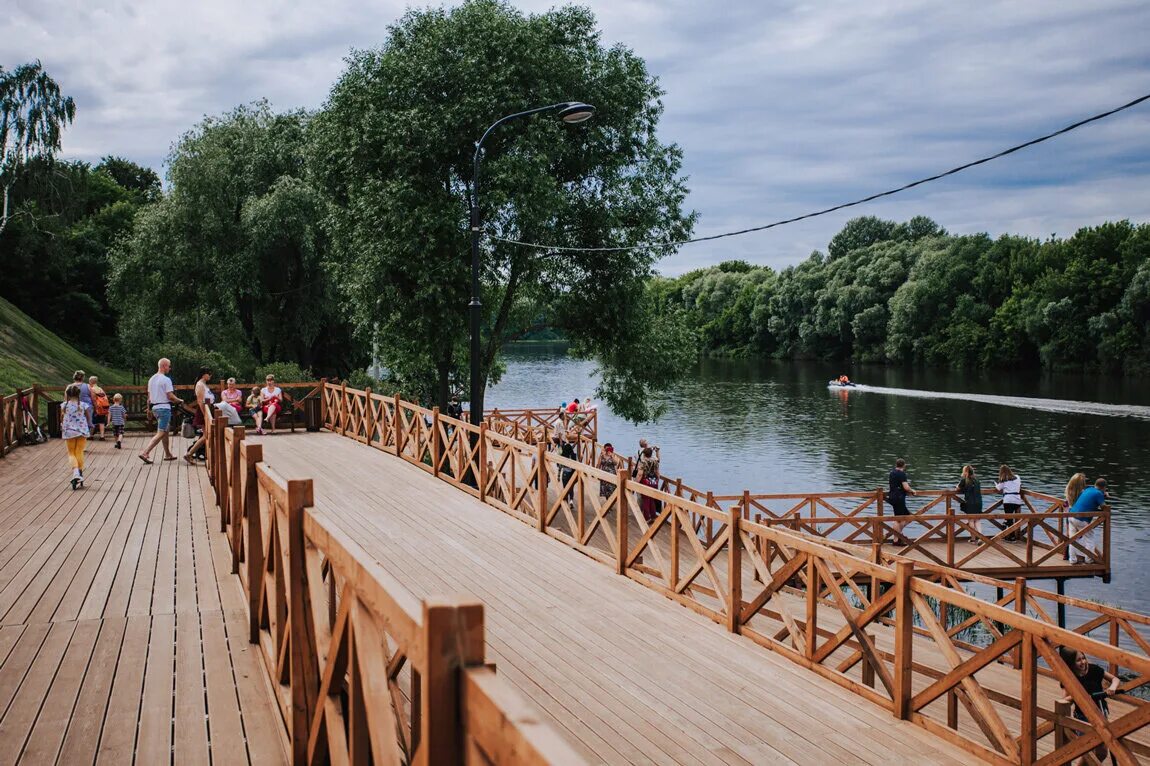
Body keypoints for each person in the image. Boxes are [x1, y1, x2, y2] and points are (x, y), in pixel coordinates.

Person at [1057, 646, 1119, 763]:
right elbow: (1064, 700)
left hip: (1100, 712)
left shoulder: (1094, 669)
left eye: (1083, 658)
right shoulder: (1069, 678)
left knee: (1102, 752)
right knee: (1088, 751)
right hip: (1083, 716)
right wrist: (1080, 697)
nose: (1083, 662)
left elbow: (1115, 679)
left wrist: (1112, 687)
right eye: (1078, 660)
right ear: (1070, 663)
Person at [139, 357, 182, 464]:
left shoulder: (151, 379)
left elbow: (149, 397)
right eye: (169, 365)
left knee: (165, 431)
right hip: (164, 409)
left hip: (155, 409)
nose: (170, 368)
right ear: (163, 366)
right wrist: (180, 400)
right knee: (161, 432)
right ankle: (145, 453)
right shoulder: (166, 379)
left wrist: (149, 410)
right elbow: (170, 396)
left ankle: (167, 454)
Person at [1067, 475, 1107, 564]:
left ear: (1095, 484)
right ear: (1104, 488)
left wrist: (1102, 494)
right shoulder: (1099, 494)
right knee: (1090, 538)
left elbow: (1089, 500)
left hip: (1071, 515)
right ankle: (1089, 559)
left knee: (1072, 539)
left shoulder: (1088, 489)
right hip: (1082, 519)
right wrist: (1104, 495)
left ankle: (1072, 560)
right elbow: (1103, 507)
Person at [61, 384, 90, 489]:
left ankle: (75, 472)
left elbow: (62, 417)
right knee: (79, 452)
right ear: (79, 394)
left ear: (67, 395)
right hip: (81, 431)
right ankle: (79, 472)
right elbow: (87, 416)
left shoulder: (64, 405)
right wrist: (89, 425)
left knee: (71, 453)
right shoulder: (83, 405)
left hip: (69, 432)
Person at [184, 367, 214, 464]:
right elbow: (200, 401)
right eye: (209, 374)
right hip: (204, 412)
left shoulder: (204, 384)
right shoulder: (200, 385)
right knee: (206, 436)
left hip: (209, 410)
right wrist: (206, 415)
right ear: (204, 374)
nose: (210, 376)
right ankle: (189, 454)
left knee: (208, 435)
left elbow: (208, 399)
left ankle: (206, 455)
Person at [955, 465, 986, 543]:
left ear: (965, 472)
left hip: (970, 503)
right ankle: (980, 537)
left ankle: (973, 539)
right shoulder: (977, 480)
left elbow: (958, 488)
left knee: (971, 520)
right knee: (977, 520)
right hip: (979, 502)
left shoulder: (964, 480)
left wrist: (958, 486)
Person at [887, 458, 915, 544]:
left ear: (896, 464)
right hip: (899, 498)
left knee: (907, 517)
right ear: (904, 465)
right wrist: (912, 491)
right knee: (898, 519)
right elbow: (906, 487)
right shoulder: (902, 474)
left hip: (892, 496)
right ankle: (897, 539)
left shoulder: (892, 473)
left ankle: (898, 535)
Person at [995, 465, 1024, 542]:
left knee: (1009, 519)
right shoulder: (1017, 477)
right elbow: (1020, 485)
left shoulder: (1004, 480)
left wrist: (998, 483)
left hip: (1008, 500)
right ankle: (1011, 536)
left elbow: (998, 488)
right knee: (1015, 520)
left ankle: (1012, 537)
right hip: (1017, 500)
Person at [635, 446, 661, 522]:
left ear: (644, 454)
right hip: (654, 481)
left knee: (646, 499)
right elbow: (657, 472)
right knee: (652, 499)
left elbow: (640, 474)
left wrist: (635, 483)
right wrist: (657, 481)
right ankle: (653, 516)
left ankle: (647, 517)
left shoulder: (643, 462)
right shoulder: (655, 461)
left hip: (645, 482)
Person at [89, 375, 110, 441]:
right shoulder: (100, 389)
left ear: (90, 382)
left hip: (96, 408)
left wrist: (95, 407)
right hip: (103, 408)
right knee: (101, 422)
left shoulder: (92, 389)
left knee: (93, 422)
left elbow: (93, 399)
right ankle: (102, 436)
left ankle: (91, 435)